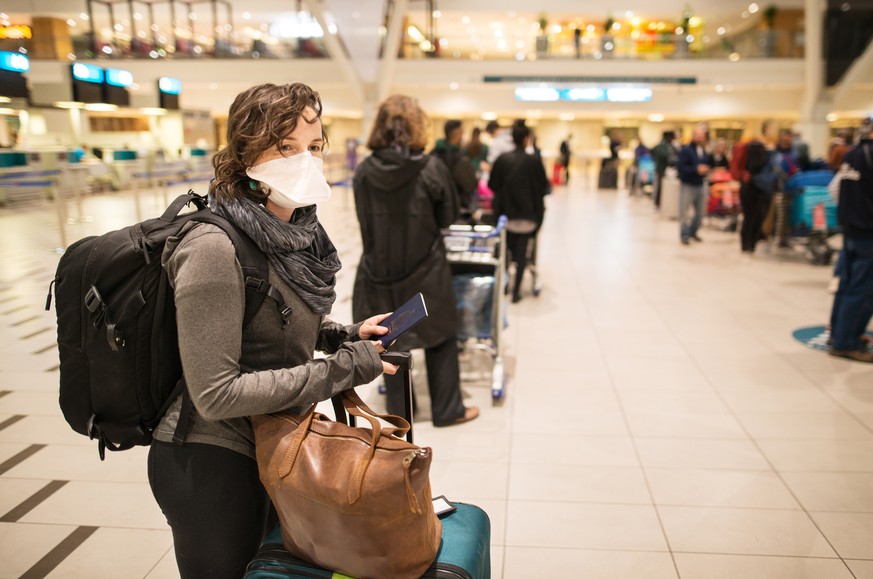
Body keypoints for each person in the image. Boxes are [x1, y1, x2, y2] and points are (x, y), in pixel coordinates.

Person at [147, 83, 398, 578]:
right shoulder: (212, 248)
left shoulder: (292, 233)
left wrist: (341, 336)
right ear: (245, 151)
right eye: (286, 147)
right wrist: (342, 370)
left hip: (273, 442)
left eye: (313, 147)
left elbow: (270, 315)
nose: (304, 160)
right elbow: (216, 394)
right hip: (212, 462)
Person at [352, 94, 479, 427]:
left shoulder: (364, 171)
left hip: (378, 270)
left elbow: (364, 219)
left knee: (388, 339)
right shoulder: (429, 167)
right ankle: (448, 409)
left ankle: (400, 413)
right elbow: (448, 215)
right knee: (440, 337)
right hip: (427, 269)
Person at [488, 123, 549, 303]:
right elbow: (543, 188)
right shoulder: (534, 161)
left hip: (505, 216)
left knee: (507, 251)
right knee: (522, 255)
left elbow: (492, 185)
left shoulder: (502, 159)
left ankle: (506, 285)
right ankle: (516, 292)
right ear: (526, 139)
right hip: (528, 216)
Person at [828, 118, 873, 363]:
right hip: (868, 233)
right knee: (863, 290)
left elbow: (834, 189)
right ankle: (846, 342)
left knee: (846, 286)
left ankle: (840, 334)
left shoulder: (853, 153)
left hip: (852, 230)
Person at [736, 119, 780, 254]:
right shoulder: (756, 146)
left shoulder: (768, 147)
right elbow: (754, 166)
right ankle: (746, 245)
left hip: (762, 188)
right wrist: (767, 154)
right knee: (750, 217)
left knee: (758, 216)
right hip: (750, 186)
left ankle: (752, 244)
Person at [430, 119, 478, 215]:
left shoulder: (433, 154)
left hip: (436, 206)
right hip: (459, 207)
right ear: (457, 133)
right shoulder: (461, 156)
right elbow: (470, 184)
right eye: (462, 132)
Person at [677, 124, 712, 245]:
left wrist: (706, 170)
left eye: (702, 135)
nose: (700, 137)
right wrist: (696, 169)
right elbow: (681, 168)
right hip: (687, 184)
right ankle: (685, 234)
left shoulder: (703, 150)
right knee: (685, 212)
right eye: (698, 135)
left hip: (700, 184)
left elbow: (707, 164)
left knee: (701, 212)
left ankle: (693, 231)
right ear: (693, 136)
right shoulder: (686, 150)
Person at [652, 130, 678, 208]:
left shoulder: (667, 145)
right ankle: (658, 203)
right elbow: (664, 156)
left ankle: (660, 202)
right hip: (661, 169)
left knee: (662, 186)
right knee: (661, 186)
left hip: (662, 169)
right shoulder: (663, 145)